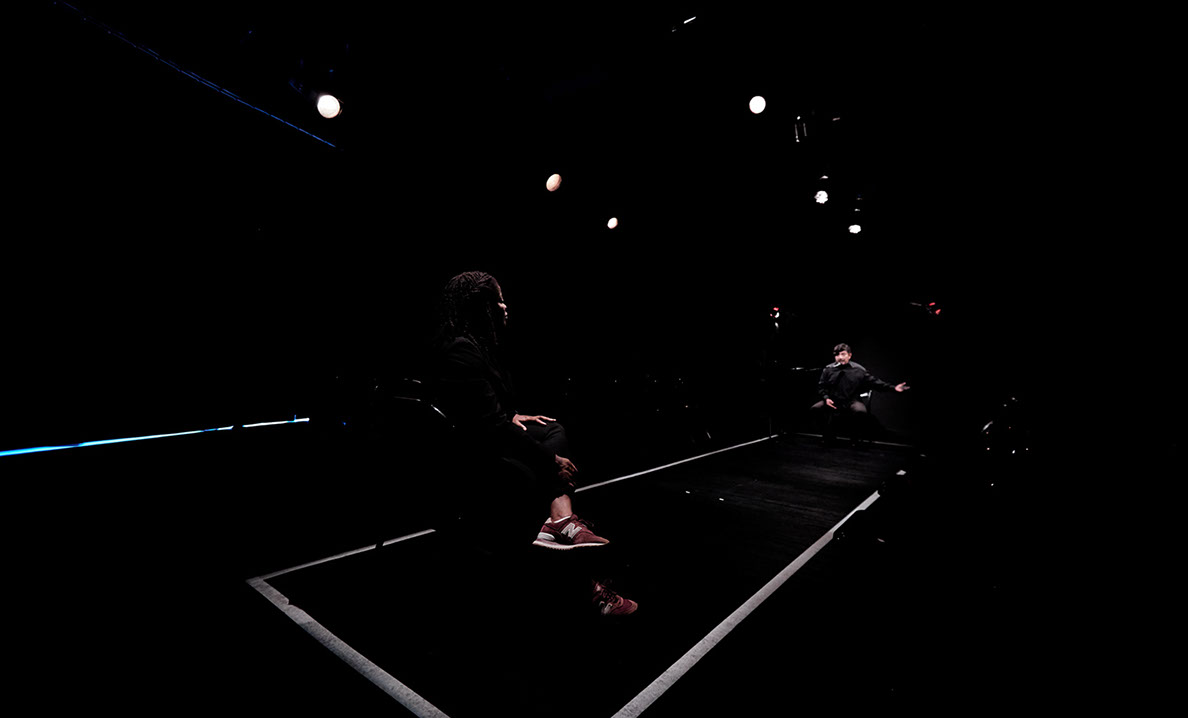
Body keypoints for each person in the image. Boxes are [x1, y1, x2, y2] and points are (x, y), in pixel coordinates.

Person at [429, 270, 637, 616]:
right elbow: (485, 425)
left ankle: (560, 521)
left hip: (481, 440)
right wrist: (550, 462)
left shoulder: (473, 346)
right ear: (481, 307)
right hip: (473, 458)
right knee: (540, 469)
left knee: (551, 429)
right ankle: (585, 581)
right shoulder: (460, 350)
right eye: (498, 300)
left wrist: (512, 416)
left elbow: (483, 410)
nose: (505, 306)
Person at [810, 343, 909, 444]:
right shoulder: (828, 369)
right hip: (833, 400)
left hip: (851, 400)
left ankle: (855, 438)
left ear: (849, 355)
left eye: (843, 354)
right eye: (837, 355)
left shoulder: (859, 370)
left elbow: (875, 383)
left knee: (860, 411)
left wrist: (894, 388)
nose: (840, 357)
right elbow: (821, 386)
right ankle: (828, 435)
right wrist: (826, 398)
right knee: (815, 409)